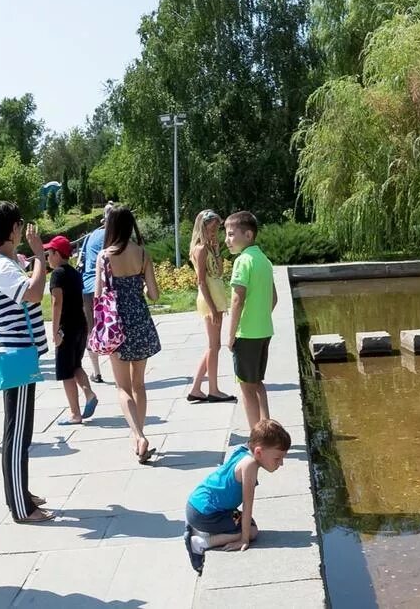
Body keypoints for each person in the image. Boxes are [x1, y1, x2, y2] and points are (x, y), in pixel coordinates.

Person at [0, 202, 52, 523]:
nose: (23, 230)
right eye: (19, 225)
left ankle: (20, 493)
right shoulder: (3, 267)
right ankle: (21, 507)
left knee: (18, 430)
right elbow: (33, 293)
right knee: (18, 432)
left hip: (16, 352)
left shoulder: (1, 261)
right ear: (12, 230)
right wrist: (39, 257)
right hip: (17, 354)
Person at [95, 206, 161, 464]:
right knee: (139, 384)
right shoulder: (142, 253)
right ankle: (139, 438)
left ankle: (138, 435)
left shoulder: (104, 257)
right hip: (140, 322)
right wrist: (139, 288)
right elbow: (154, 295)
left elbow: (99, 294)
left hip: (116, 325)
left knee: (122, 387)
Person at [182, 418, 291, 573]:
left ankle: (204, 529)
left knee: (247, 523)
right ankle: (201, 542)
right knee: (252, 531)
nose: (281, 463)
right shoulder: (250, 466)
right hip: (205, 514)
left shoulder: (245, 451)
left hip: (197, 505)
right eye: (277, 458)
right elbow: (247, 506)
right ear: (259, 452)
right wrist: (244, 539)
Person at [224, 212, 275, 430]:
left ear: (248, 234)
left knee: (246, 387)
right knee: (257, 383)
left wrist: (231, 333)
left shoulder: (242, 261)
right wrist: (261, 316)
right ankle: (267, 427)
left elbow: (237, 299)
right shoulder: (264, 260)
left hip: (246, 334)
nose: (227, 239)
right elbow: (273, 298)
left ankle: (256, 434)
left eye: (231, 234)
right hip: (264, 330)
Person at [44, 236, 98, 425]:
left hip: (66, 327)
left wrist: (55, 331)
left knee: (66, 372)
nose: (47, 258)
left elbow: (56, 302)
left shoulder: (57, 274)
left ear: (57, 254)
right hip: (80, 325)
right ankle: (89, 393)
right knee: (76, 365)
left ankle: (75, 414)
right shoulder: (75, 273)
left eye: (49, 253)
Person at [186, 210, 234, 404]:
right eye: (212, 228)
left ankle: (197, 388)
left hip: (217, 295)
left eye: (217, 228)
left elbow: (219, 272)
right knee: (214, 346)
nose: (215, 231)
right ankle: (213, 389)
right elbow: (201, 282)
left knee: (214, 346)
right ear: (203, 227)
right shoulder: (200, 249)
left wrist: (217, 251)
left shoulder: (210, 247)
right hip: (209, 299)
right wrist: (213, 309)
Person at [78, 203, 114, 385]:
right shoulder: (115, 238)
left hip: (87, 286)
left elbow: (81, 261)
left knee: (91, 330)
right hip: (107, 287)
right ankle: (120, 370)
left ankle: (96, 372)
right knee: (114, 326)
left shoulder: (91, 236)